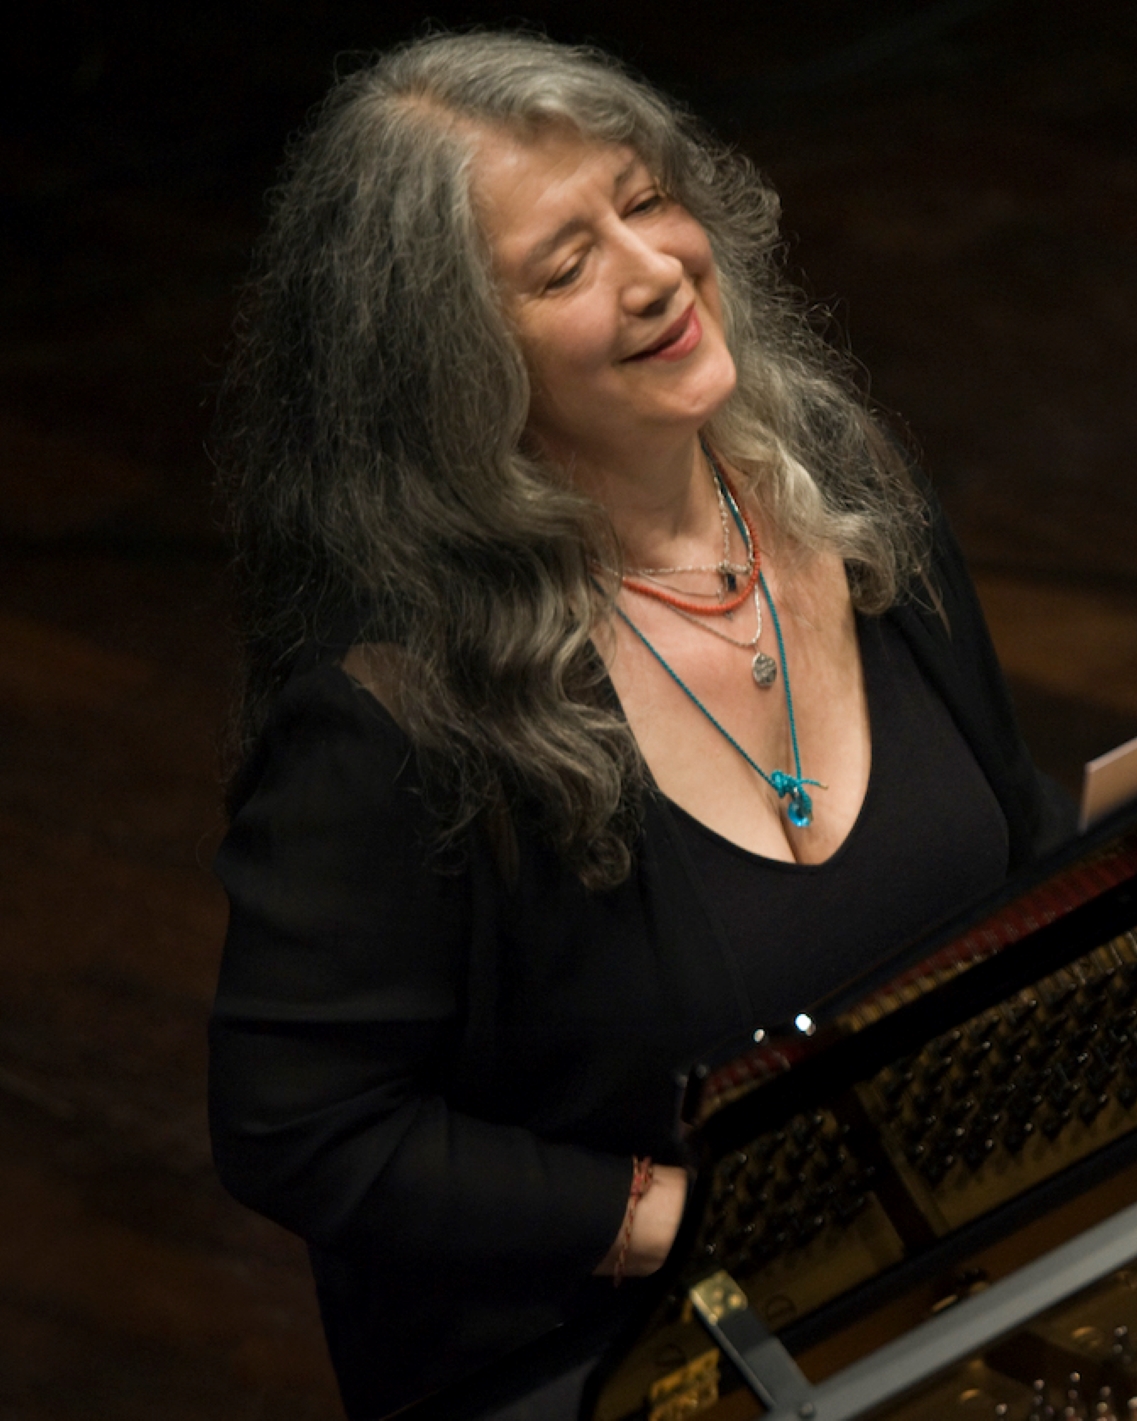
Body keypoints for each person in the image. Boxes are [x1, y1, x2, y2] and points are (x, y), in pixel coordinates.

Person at [208, 29, 1069, 1420]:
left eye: (647, 199)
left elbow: (1017, 831)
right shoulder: (392, 716)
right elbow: (299, 1128)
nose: (659, 268)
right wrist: (677, 1216)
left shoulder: (845, 492)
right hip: (619, 1362)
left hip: (954, 1256)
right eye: (565, 264)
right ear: (454, 369)